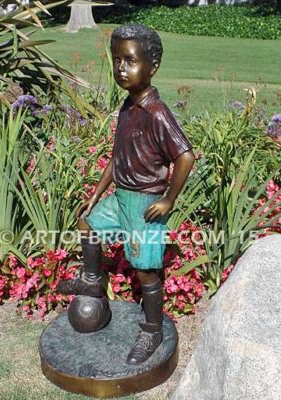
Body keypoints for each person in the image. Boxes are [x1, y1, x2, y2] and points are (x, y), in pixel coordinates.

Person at [57, 24, 195, 365]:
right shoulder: (128, 106)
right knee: (88, 222)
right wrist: (97, 192)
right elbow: (118, 157)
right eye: (116, 60)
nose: (121, 68)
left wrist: (168, 200)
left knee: (146, 270)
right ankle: (92, 281)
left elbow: (185, 155)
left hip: (144, 203)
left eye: (130, 61)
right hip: (120, 197)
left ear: (153, 65)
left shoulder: (156, 112)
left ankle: (152, 331)